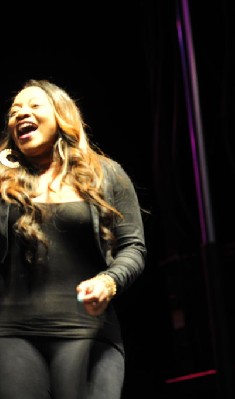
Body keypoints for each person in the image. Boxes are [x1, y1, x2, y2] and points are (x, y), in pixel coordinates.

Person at [0, 79, 146, 399]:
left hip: (88, 332)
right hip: (12, 335)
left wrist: (109, 282)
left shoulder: (105, 173)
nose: (21, 114)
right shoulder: (3, 182)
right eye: (14, 111)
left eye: (35, 106)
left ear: (61, 115)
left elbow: (133, 247)